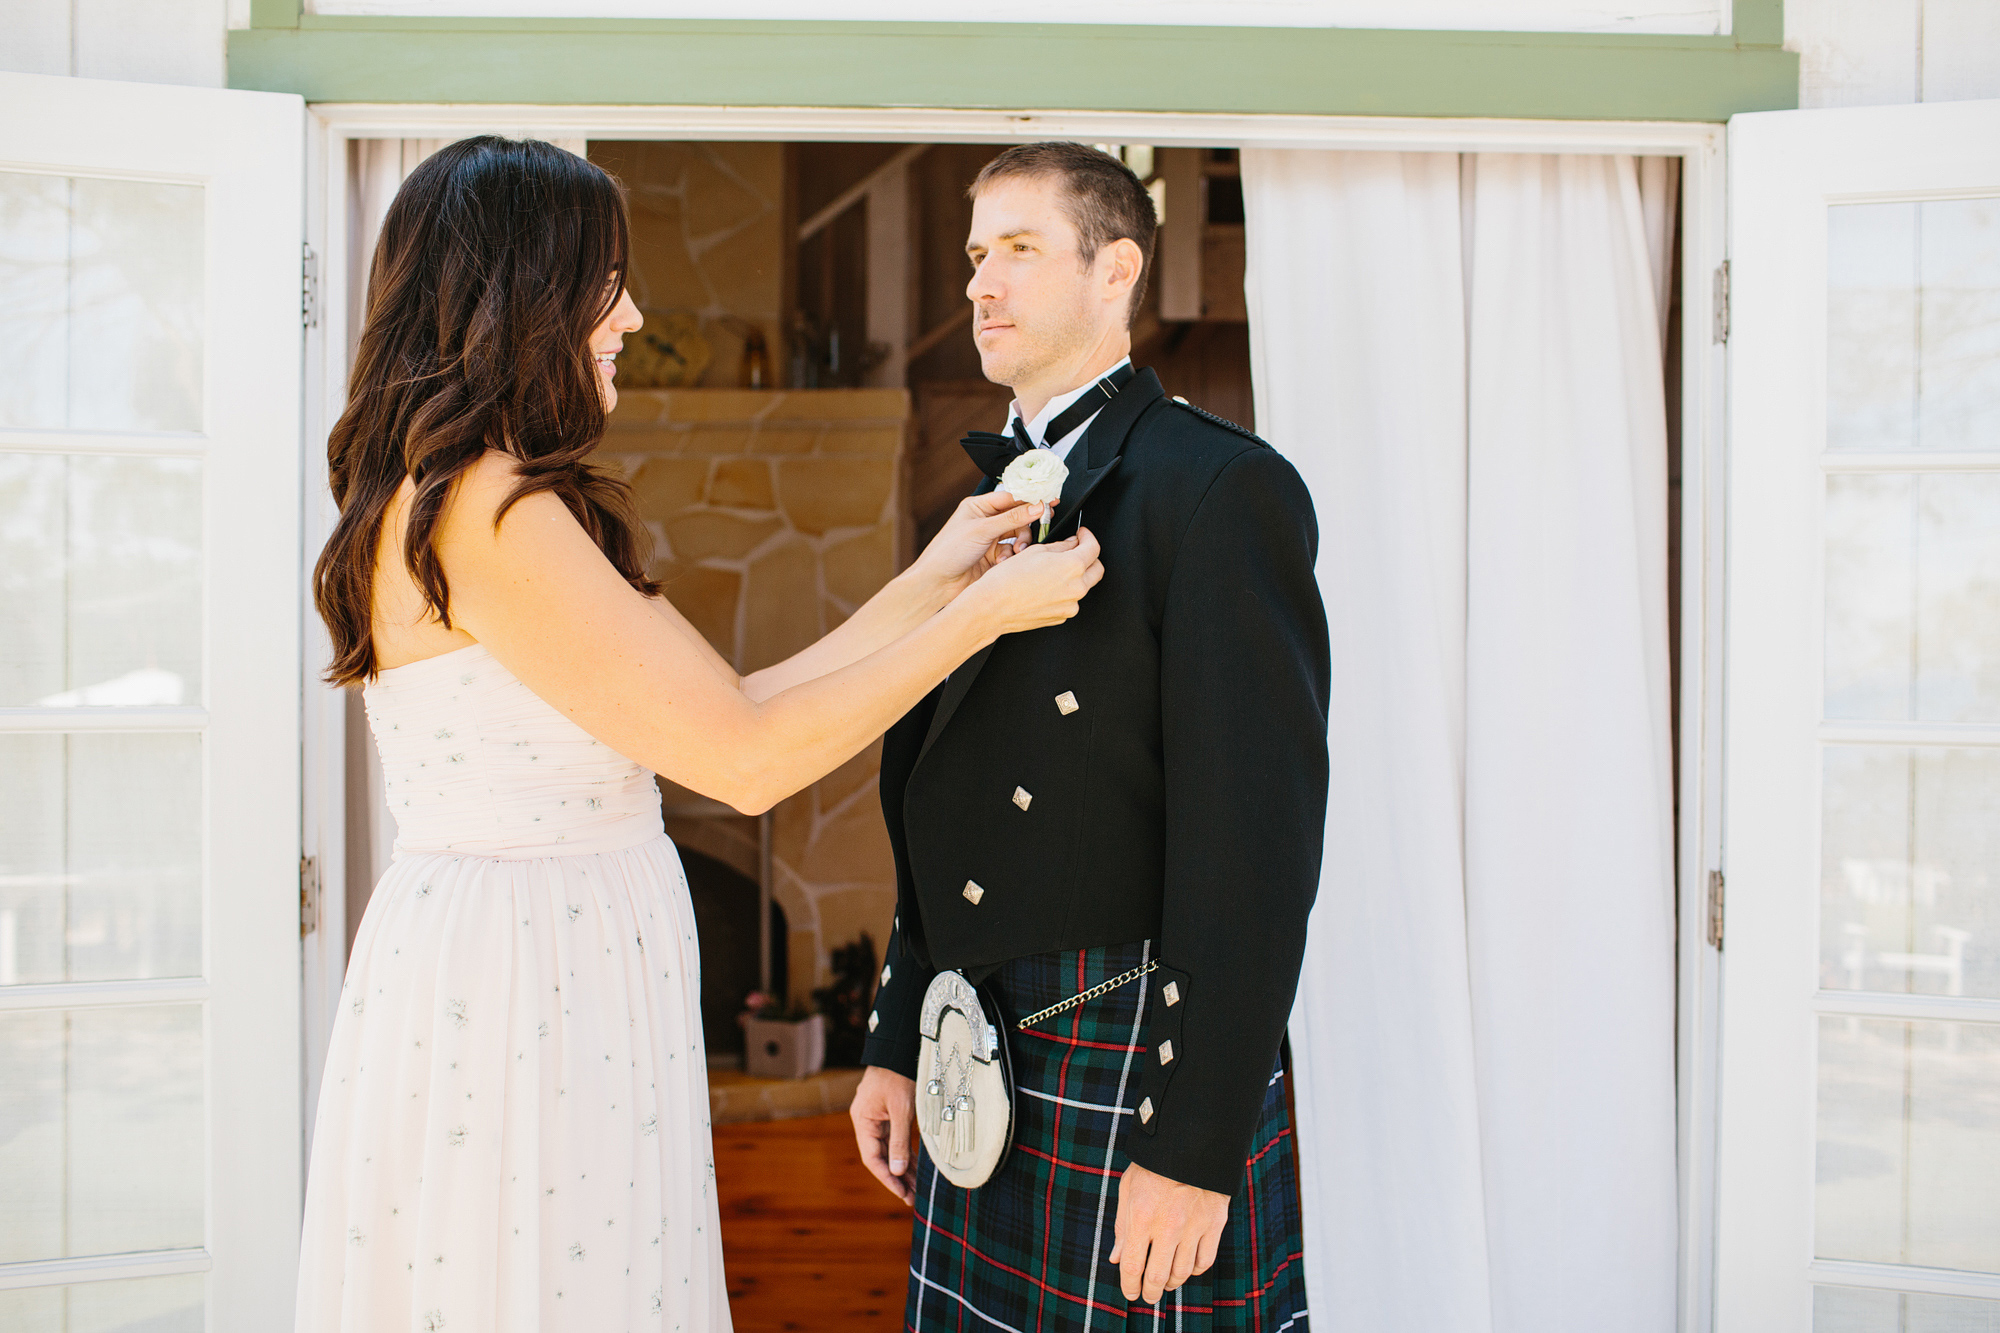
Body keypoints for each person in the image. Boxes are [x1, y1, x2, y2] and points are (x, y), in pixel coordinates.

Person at [294, 136, 1102, 1333]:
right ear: (523, 296)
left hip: (526, 956)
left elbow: (734, 702)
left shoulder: (458, 490)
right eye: (602, 279)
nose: (628, 313)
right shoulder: (489, 508)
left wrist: (933, 580)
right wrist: (983, 621)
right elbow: (745, 760)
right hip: (529, 984)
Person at [850, 141, 1330, 1329]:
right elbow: (932, 789)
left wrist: (1197, 1144)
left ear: (1114, 271)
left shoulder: (1219, 494)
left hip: (1132, 1062)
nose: (979, 283)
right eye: (973, 253)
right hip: (980, 1054)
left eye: (1019, 247)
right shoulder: (969, 517)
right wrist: (901, 1033)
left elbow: (1253, 853)